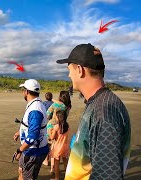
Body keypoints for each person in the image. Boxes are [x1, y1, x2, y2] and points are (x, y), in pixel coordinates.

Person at [56, 43, 131, 179]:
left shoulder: (104, 111)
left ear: (80, 70)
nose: (68, 75)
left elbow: (108, 176)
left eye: (69, 70)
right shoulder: (99, 103)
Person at [13, 79, 49, 180]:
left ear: (27, 92)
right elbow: (31, 126)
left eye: (23, 90)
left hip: (34, 151)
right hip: (30, 149)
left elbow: (33, 136)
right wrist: (20, 132)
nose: (22, 92)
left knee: (28, 177)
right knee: (21, 170)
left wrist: (20, 150)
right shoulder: (35, 104)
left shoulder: (35, 110)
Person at [45, 90, 71, 172]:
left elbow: (47, 114)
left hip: (52, 125)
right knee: (58, 148)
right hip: (63, 126)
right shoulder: (68, 106)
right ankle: (59, 169)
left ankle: (48, 163)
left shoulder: (55, 104)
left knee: (51, 146)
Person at [49, 110, 70, 180]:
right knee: (65, 163)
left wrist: (50, 131)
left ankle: (56, 178)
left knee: (56, 164)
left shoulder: (57, 126)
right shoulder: (67, 125)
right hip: (65, 146)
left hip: (57, 147)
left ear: (59, 118)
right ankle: (68, 177)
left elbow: (52, 137)